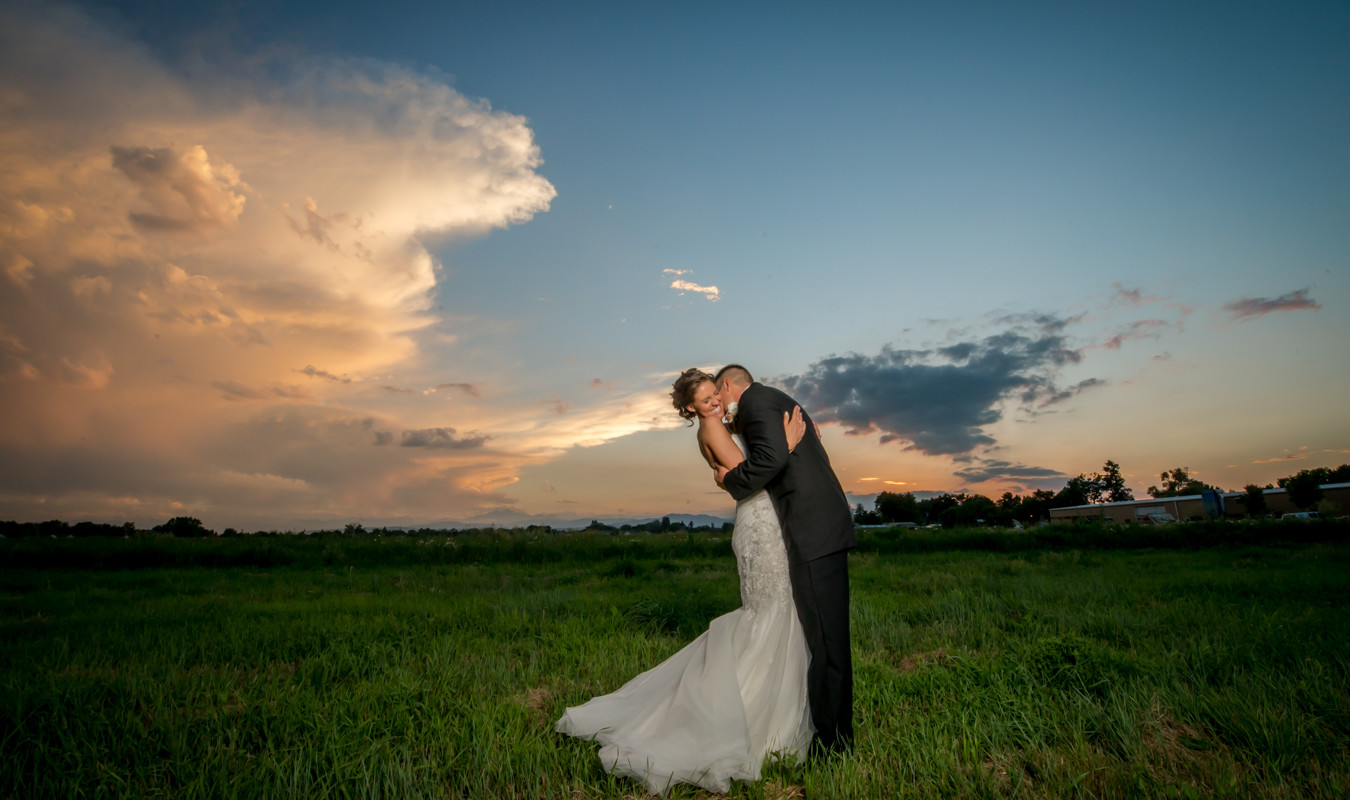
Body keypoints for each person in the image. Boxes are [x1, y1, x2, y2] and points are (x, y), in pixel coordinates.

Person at [556, 368, 814, 796]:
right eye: (705, 399)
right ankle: (751, 721)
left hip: (761, 520)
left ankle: (767, 714)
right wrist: (783, 447)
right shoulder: (712, 428)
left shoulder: (716, 425)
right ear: (691, 408)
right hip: (760, 522)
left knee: (772, 612)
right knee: (771, 612)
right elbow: (750, 476)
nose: (714, 402)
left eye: (716, 393)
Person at [713, 364, 855, 755]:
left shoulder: (756, 402)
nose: (721, 406)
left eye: (719, 396)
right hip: (821, 527)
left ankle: (832, 748)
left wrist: (730, 481)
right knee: (828, 643)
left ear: (728, 385)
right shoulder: (773, 400)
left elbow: (772, 458)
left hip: (813, 531)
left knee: (826, 647)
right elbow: (778, 450)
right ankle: (836, 737)